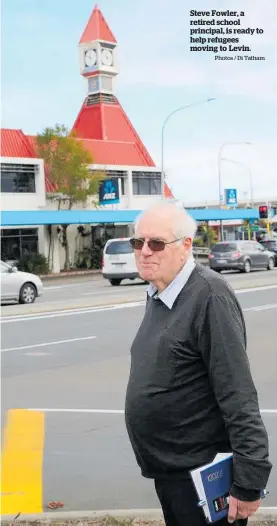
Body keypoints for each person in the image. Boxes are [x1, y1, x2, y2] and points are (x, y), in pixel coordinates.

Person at [124, 203, 272, 526]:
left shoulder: (209, 296)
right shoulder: (160, 293)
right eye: (139, 242)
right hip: (171, 474)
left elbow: (238, 393)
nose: (144, 251)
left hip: (204, 480)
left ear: (186, 246)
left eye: (157, 243)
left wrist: (249, 481)